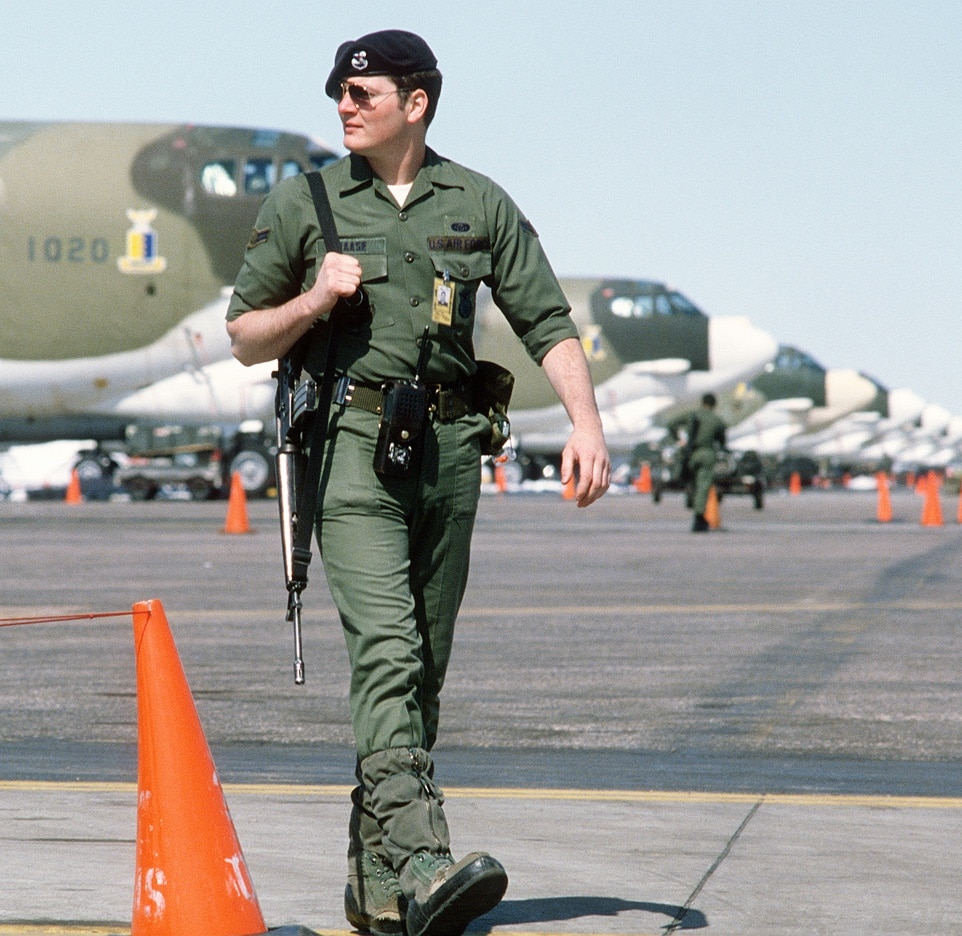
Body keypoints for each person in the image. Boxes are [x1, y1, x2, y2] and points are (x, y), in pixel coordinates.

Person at [226, 30, 610, 936]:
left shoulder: (477, 202)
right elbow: (243, 334)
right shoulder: (304, 204)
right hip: (352, 446)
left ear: (417, 101)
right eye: (339, 94)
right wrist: (317, 299)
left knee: (423, 668)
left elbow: (546, 319)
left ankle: (373, 880)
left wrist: (587, 427)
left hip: (449, 449)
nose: (344, 106)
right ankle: (428, 857)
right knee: (388, 653)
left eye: (362, 92)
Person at [669, 392, 728, 532]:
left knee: (692, 484)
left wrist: (679, 440)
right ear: (714, 405)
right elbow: (722, 441)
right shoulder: (716, 419)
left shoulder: (692, 415)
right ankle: (699, 517)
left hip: (690, 454)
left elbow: (671, 424)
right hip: (706, 454)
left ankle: (695, 506)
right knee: (703, 486)